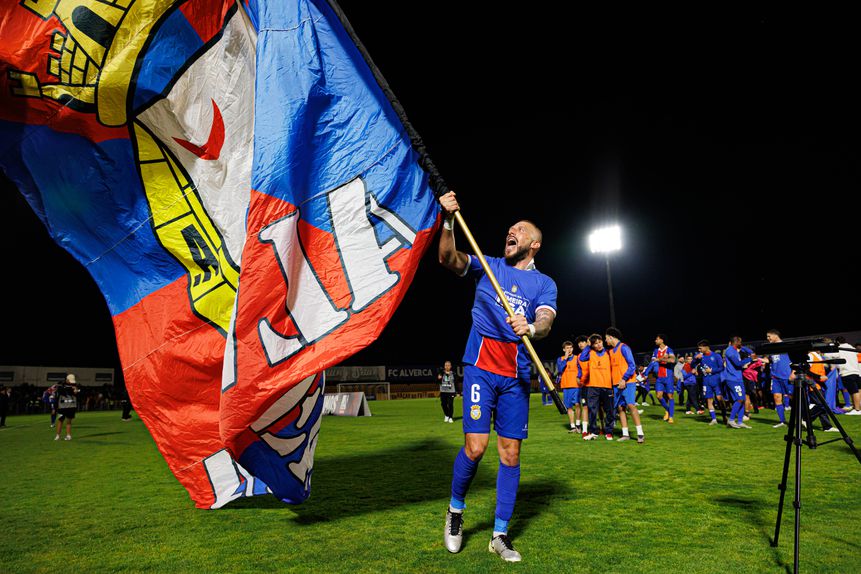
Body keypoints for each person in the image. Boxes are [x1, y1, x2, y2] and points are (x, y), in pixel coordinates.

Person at [438, 191, 557, 562]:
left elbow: (547, 320)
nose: (512, 231)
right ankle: (455, 512)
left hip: (516, 374)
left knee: (510, 454)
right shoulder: (488, 266)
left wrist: (533, 328)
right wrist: (448, 221)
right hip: (480, 365)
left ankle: (500, 535)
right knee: (476, 447)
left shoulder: (545, 284)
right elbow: (447, 257)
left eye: (519, 231)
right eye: (510, 228)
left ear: (534, 245)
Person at [605, 328, 644, 443]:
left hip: (628, 382)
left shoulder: (624, 347)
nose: (606, 341)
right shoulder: (610, 352)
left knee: (631, 405)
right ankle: (625, 434)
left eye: (606, 338)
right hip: (616, 384)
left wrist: (623, 379)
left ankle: (640, 433)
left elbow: (632, 366)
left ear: (611, 337)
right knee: (620, 408)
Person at [579, 334, 615, 441]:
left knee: (609, 410)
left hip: (607, 386)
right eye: (595, 343)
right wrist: (588, 346)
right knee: (592, 410)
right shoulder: (590, 353)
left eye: (599, 342)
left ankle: (609, 432)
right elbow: (581, 358)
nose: (598, 345)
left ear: (602, 342)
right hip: (593, 386)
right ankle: (593, 431)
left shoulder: (609, 353)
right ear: (592, 345)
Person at [761, 329, 793, 428]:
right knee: (777, 398)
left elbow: (794, 360)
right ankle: (782, 421)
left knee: (793, 398)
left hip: (786, 376)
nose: (768, 338)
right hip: (775, 377)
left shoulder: (786, 346)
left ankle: (801, 419)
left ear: (775, 335)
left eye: (769, 336)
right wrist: (757, 359)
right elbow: (769, 360)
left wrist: (793, 372)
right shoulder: (771, 348)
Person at [824, 336, 861, 415]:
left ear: (837, 342)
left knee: (854, 391)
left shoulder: (839, 349)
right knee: (858, 390)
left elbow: (828, 356)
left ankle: (857, 410)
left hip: (847, 372)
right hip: (856, 371)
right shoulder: (851, 347)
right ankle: (856, 408)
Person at [693, 340, 725, 425]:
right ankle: (714, 419)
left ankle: (724, 416)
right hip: (706, 381)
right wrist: (695, 359)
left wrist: (712, 370)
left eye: (700, 348)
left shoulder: (716, 356)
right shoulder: (700, 357)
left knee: (719, 399)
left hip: (716, 380)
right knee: (709, 400)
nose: (699, 350)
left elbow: (722, 368)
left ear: (706, 347)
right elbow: (692, 365)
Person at [724, 337, 752, 429]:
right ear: (735, 342)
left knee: (742, 399)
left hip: (737, 378)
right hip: (733, 379)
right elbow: (738, 363)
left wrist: (742, 347)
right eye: (740, 342)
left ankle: (740, 422)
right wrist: (750, 359)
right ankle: (731, 420)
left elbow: (750, 352)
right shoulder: (730, 351)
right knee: (740, 399)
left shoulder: (735, 350)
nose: (741, 343)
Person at [556, 340, 581, 433]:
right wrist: (565, 358)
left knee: (578, 405)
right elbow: (560, 369)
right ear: (563, 349)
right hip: (566, 386)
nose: (569, 350)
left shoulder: (577, 358)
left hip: (576, 386)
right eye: (567, 348)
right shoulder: (560, 359)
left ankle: (578, 424)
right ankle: (573, 426)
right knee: (569, 407)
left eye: (570, 348)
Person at [652, 334, 677, 423]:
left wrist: (661, 359)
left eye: (657, 339)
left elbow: (673, 360)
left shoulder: (669, 349)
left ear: (662, 340)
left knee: (670, 396)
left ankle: (671, 417)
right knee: (659, 396)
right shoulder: (655, 351)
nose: (655, 340)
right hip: (659, 377)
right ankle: (669, 410)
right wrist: (663, 358)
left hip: (668, 377)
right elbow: (654, 361)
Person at [54, 374, 79, 441]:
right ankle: (58, 435)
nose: (71, 382)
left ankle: (68, 435)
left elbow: (76, 394)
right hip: (62, 407)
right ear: (67, 380)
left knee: (68, 421)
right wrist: (55, 407)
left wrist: (75, 390)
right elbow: (61, 392)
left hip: (71, 406)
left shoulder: (75, 386)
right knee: (60, 421)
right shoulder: (61, 385)